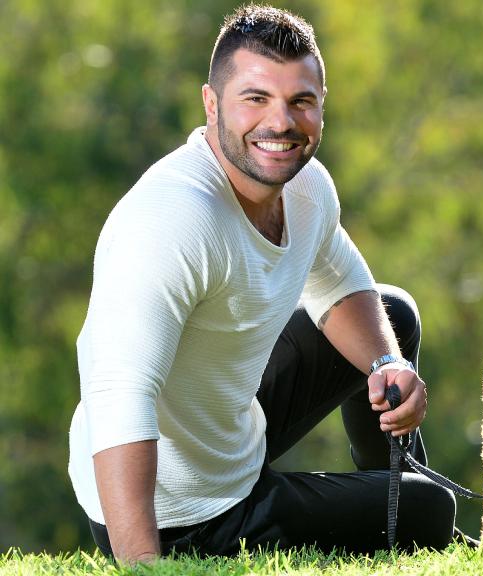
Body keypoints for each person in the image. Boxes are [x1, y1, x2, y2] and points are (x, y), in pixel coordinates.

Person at [68, 5, 458, 564]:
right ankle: (407, 511)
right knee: (433, 512)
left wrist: (385, 367)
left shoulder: (305, 186)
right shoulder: (171, 220)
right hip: (180, 511)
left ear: (322, 105)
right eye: (255, 98)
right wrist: (144, 564)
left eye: (300, 101)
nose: (281, 123)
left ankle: (394, 485)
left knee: (391, 316)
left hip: (231, 429)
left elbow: (343, 285)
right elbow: (118, 398)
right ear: (211, 104)